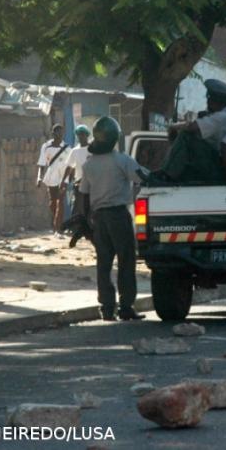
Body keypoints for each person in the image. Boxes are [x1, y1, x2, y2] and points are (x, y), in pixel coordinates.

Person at [79, 116, 149, 321]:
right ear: (114, 139)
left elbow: (83, 194)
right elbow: (143, 177)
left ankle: (107, 308)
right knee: (126, 261)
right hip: (118, 215)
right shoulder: (122, 160)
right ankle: (126, 306)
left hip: (98, 218)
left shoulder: (88, 164)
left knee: (104, 263)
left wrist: (85, 221)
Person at [157, 79, 226, 182]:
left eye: (209, 99)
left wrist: (173, 127)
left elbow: (191, 127)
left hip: (219, 165)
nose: (207, 102)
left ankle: (165, 175)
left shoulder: (222, 117)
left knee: (186, 137)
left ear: (212, 100)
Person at [37, 124, 71, 236]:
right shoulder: (46, 146)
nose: (60, 135)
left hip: (63, 177)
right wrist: (39, 177)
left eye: (62, 133)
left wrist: (67, 179)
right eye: (58, 132)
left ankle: (58, 228)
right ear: (53, 133)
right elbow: (41, 163)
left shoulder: (67, 148)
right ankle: (56, 223)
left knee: (60, 201)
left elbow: (70, 166)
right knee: (53, 202)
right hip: (51, 176)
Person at [64, 125, 92, 219]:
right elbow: (69, 167)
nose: (80, 136)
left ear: (87, 135)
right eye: (79, 134)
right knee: (78, 206)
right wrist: (64, 181)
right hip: (79, 183)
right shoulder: (74, 151)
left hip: (93, 183)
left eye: (82, 134)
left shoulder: (93, 149)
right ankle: (76, 227)